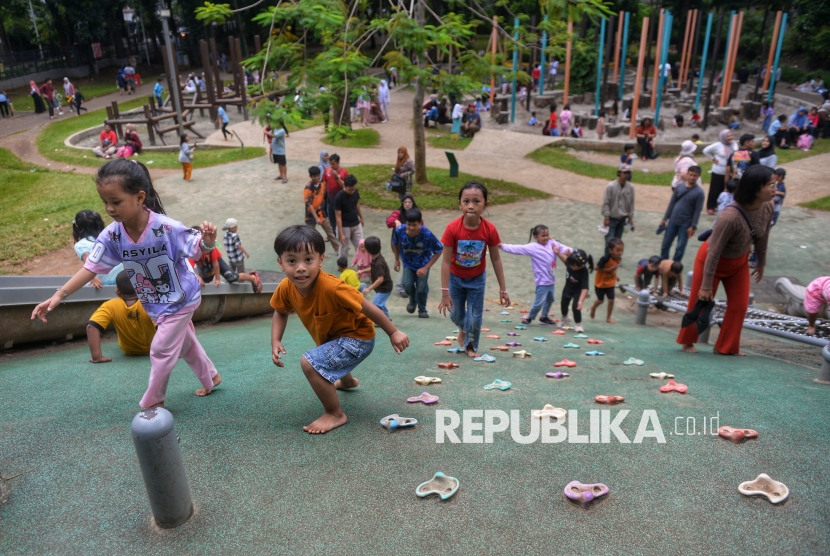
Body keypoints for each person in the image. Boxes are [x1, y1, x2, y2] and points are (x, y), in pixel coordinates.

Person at [32, 160, 222, 408]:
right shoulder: (112, 235)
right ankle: (211, 377)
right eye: (105, 202)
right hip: (155, 303)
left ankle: (153, 402)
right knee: (185, 343)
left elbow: (197, 249)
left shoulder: (165, 227)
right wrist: (57, 296)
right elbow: (91, 268)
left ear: (139, 197)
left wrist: (208, 242)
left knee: (161, 349)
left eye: (116, 201)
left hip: (181, 298)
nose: (109, 209)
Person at [270, 226, 409, 434]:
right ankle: (347, 381)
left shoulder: (332, 286)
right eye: (292, 261)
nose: (300, 268)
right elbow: (280, 311)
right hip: (336, 338)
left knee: (310, 363)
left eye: (308, 259)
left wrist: (393, 332)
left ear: (321, 259)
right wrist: (275, 339)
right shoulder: (286, 288)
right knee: (329, 349)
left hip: (358, 338)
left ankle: (335, 413)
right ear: (280, 263)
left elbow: (366, 305)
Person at [678, 165, 776, 355]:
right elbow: (713, 251)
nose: (775, 189)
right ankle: (688, 341)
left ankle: (726, 347)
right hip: (711, 260)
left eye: (776, 183)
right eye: (770, 185)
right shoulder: (730, 216)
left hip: (739, 261)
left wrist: (761, 262)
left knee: (740, 305)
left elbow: (763, 236)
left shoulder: (768, 207)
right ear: (755, 188)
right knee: (700, 302)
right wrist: (706, 286)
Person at [438, 181, 510, 357]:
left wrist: (503, 289)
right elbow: (445, 262)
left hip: (477, 279)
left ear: (486, 204)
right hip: (455, 279)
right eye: (466, 201)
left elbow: (496, 258)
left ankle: (471, 346)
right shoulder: (452, 228)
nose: (471, 206)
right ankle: (463, 327)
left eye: (476, 201)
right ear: (460, 204)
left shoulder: (489, 229)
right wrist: (444, 292)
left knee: (475, 318)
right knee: (456, 315)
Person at [499, 224, 573, 326]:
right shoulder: (533, 247)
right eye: (543, 236)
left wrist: (567, 250)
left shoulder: (552, 243)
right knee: (539, 302)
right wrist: (502, 246)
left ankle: (544, 317)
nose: (546, 238)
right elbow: (517, 248)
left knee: (550, 299)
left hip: (551, 280)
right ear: (536, 237)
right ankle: (529, 318)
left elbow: (562, 247)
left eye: (547, 235)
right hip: (542, 281)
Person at [86, 271, 156, 362]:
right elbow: (166, 326)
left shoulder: (110, 306)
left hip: (129, 351)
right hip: (155, 350)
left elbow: (91, 327)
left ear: (118, 293)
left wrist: (96, 357)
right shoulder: (151, 304)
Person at [392, 208, 443, 318]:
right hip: (408, 263)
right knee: (407, 285)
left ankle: (422, 309)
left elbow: (439, 250)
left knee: (421, 287)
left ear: (420, 223)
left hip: (423, 263)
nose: (411, 228)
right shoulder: (399, 231)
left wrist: (426, 268)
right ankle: (413, 300)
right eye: (409, 224)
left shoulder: (427, 234)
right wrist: (397, 260)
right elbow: (395, 243)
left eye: (414, 225)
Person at [660, 166, 705, 262]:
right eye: (691, 174)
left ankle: (675, 267)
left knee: (680, 248)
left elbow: (697, 210)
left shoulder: (699, 193)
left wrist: (693, 226)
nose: (692, 177)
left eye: (695, 175)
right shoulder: (679, 187)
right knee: (665, 244)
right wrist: (665, 218)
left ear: (699, 176)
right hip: (673, 220)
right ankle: (664, 263)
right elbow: (672, 203)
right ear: (687, 174)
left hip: (685, 224)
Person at [190, 236, 262, 293]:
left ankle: (252, 278)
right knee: (205, 285)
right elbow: (188, 269)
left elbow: (215, 263)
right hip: (204, 266)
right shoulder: (192, 252)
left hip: (217, 262)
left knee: (232, 277)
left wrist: (218, 279)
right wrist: (197, 277)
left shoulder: (210, 247)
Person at [73, 210, 124, 288]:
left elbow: (88, 260)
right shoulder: (108, 236)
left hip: (104, 281)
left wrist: (93, 278)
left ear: (77, 227)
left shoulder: (81, 244)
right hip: (120, 277)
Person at [385, 193, 420, 297]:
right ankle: (402, 286)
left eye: (410, 202)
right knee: (408, 265)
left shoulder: (416, 214)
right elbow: (388, 221)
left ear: (413, 203)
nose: (408, 204)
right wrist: (395, 221)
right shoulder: (398, 213)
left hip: (413, 245)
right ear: (402, 203)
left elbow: (422, 225)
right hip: (400, 245)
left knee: (412, 264)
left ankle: (409, 284)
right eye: (405, 202)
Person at [304, 166, 339, 251]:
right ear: (310, 176)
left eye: (318, 175)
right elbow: (309, 204)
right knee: (310, 235)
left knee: (330, 231)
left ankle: (338, 250)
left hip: (322, 213)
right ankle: (314, 252)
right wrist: (316, 218)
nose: (316, 178)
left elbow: (323, 197)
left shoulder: (322, 185)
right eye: (314, 176)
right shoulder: (308, 189)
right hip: (311, 216)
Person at [556, 249, 592, 332]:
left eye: (573, 266)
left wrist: (580, 301)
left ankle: (578, 324)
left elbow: (585, 288)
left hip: (578, 291)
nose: (570, 266)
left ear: (580, 265)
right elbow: (565, 260)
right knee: (563, 304)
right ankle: (565, 318)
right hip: (568, 288)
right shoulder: (571, 262)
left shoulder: (584, 272)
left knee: (575, 308)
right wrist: (558, 253)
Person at [601, 164, 635, 251]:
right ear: (619, 173)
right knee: (609, 242)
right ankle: (607, 260)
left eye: (628, 173)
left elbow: (631, 203)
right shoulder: (611, 186)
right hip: (612, 218)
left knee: (618, 242)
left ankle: (615, 260)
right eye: (625, 173)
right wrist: (606, 217)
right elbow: (606, 202)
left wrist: (630, 218)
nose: (627, 175)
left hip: (622, 219)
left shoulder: (631, 188)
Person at [702, 129, 737, 214]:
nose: (730, 137)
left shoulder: (734, 144)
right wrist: (713, 158)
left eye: (731, 135)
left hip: (731, 170)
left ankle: (723, 204)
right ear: (723, 137)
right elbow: (705, 150)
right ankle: (711, 206)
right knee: (715, 188)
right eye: (728, 136)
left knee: (727, 187)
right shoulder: (718, 145)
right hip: (719, 170)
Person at [590, 237, 623, 324]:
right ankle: (593, 308)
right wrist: (608, 270)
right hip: (600, 283)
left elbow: (614, 268)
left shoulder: (619, 259)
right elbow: (596, 268)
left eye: (621, 250)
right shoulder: (605, 258)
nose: (620, 253)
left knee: (611, 300)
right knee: (600, 300)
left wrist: (616, 276)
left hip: (610, 282)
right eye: (618, 250)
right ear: (611, 250)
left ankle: (608, 317)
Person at [360, 236, 393, 319]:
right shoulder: (377, 259)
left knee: (376, 304)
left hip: (384, 288)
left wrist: (369, 289)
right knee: (381, 303)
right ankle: (386, 318)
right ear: (380, 247)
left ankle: (383, 321)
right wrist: (363, 271)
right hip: (382, 288)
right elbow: (373, 269)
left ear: (367, 251)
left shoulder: (379, 263)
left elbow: (380, 279)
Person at [335, 174, 365, 259]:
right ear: (344, 185)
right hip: (345, 226)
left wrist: (361, 217)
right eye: (350, 189)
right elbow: (338, 216)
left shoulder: (355, 191)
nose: (352, 191)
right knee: (344, 248)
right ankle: (341, 266)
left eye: (354, 189)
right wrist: (341, 234)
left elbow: (357, 204)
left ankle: (362, 265)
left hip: (356, 223)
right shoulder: (339, 197)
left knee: (361, 246)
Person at [323, 154, 347, 232]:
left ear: (338, 162)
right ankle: (332, 236)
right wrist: (323, 197)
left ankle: (342, 235)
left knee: (341, 219)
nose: (331, 166)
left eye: (333, 164)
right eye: (330, 163)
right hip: (330, 200)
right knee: (330, 219)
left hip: (341, 202)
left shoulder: (344, 172)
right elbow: (324, 184)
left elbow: (345, 186)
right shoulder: (327, 170)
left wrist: (337, 177)